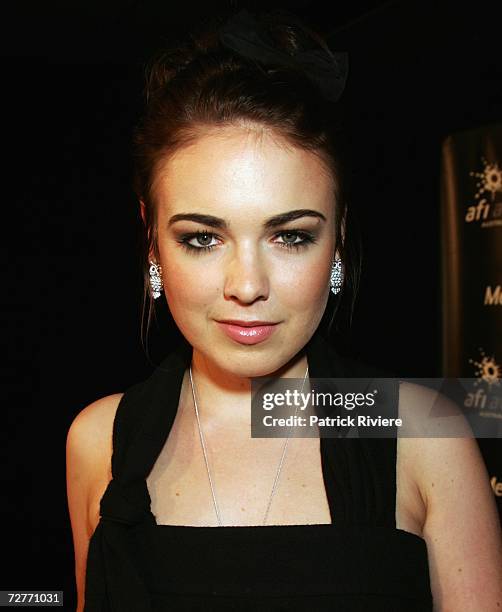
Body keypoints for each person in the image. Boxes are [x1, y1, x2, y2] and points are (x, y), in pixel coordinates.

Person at [66, 8, 502, 612]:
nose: (247, 285)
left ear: (339, 239)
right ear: (151, 239)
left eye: (291, 236)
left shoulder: (423, 435)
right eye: (202, 238)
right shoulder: (98, 441)